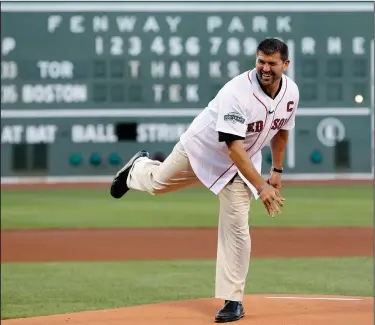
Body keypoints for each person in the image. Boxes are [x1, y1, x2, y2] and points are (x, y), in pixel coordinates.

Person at [110, 38, 299, 323]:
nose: (265, 67)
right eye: (261, 60)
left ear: (285, 64)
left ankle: (233, 300)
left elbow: (282, 129)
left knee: (237, 226)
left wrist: (277, 171)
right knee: (159, 183)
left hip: (241, 165)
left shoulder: (291, 93)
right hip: (201, 150)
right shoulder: (237, 92)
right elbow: (233, 147)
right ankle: (137, 168)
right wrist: (261, 187)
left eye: (272, 63)